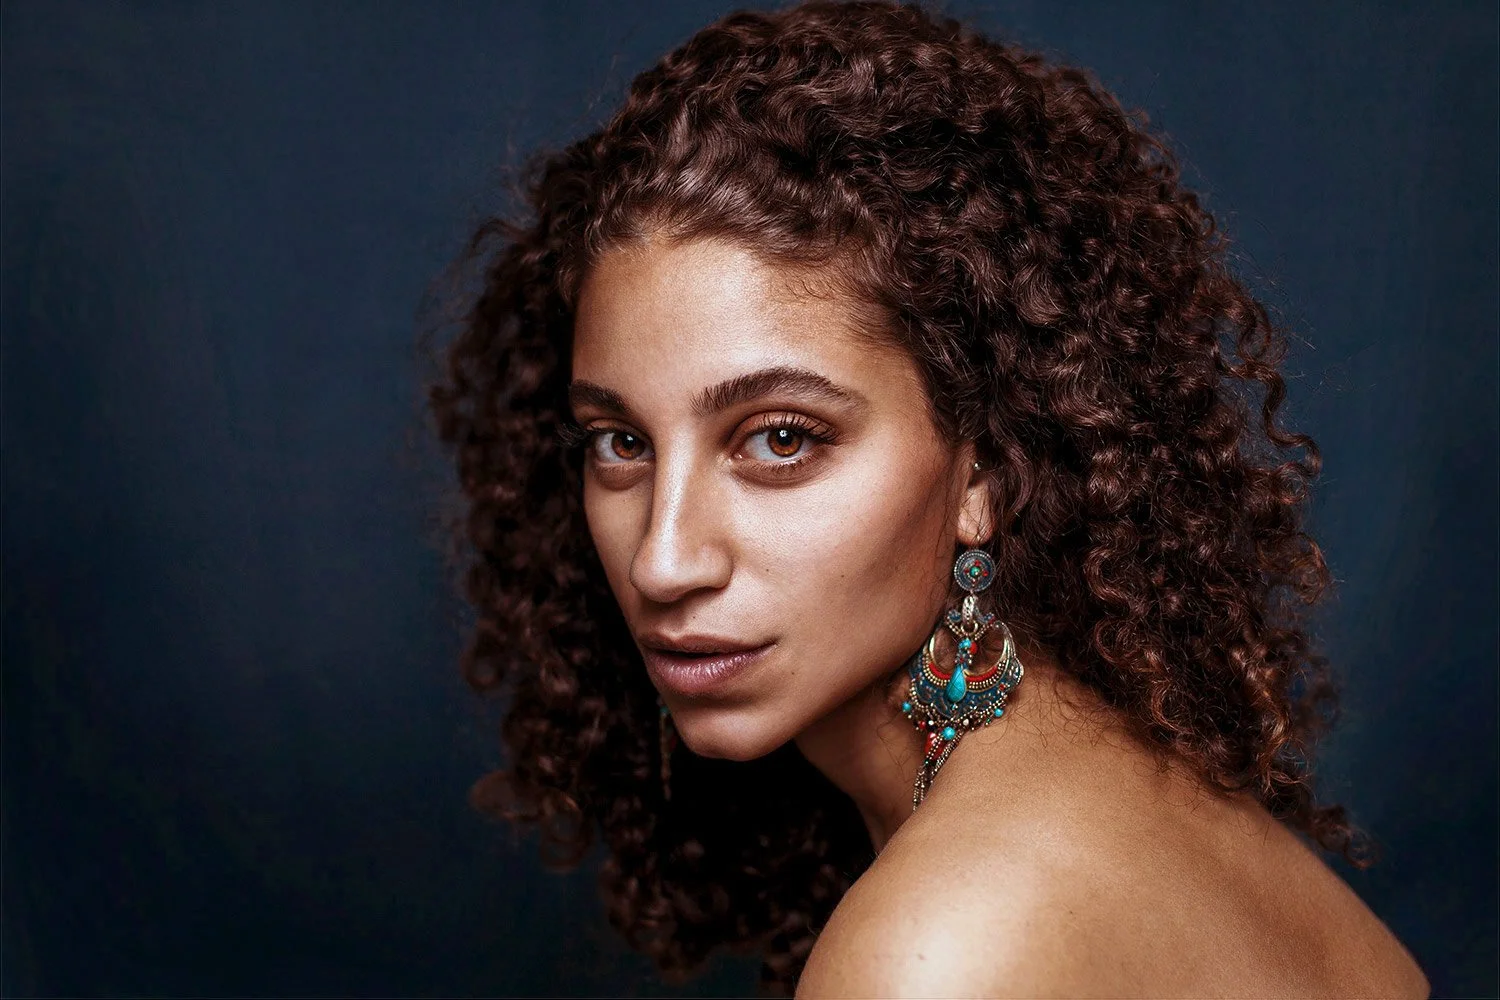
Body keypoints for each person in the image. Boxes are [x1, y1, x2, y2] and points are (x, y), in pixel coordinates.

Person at [427, 1, 1431, 995]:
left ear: (983, 472)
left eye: (781, 439)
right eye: (620, 443)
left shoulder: (943, 947)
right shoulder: (1155, 804)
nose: (664, 558)